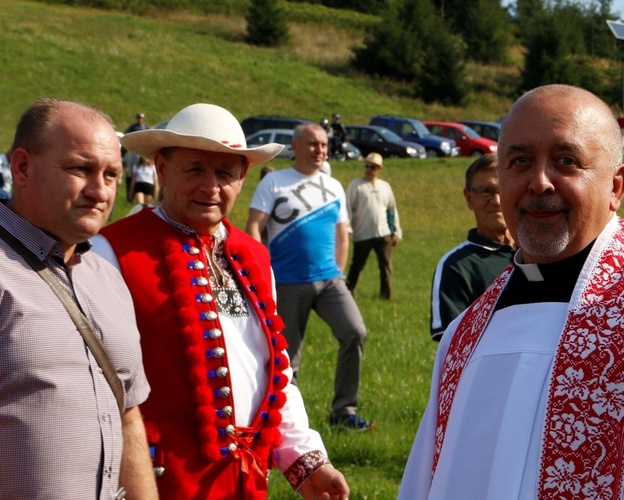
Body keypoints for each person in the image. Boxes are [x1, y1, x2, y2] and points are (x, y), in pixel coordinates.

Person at [399, 84, 624, 499]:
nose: (539, 182)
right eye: (520, 161)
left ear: (616, 187)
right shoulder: (466, 334)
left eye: (566, 161)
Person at [93, 104, 350, 499]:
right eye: (194, 169)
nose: (210, 186)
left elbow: (271, 370)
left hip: (243, 481)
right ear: (162, 170)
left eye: (225, 173)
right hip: (158, 479)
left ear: (242, 178)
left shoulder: (255, 255)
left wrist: (308, 461)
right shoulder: (111, 250)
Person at [0, 98, 156, 498]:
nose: (100, 191)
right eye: (80, 169)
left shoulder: (107, 278)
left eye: (112, 174)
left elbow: (127, 416)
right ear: (22, 167)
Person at [246, 123, 373, 431]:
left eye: (324, 145)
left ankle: (343, 411)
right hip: (288, 281)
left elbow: (342, 233)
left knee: (355, 332)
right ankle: (287, 423)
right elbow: (252, 227)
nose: (320, 150)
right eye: (314, 144)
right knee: (288, 357)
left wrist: (339, 273)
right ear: (296, 146)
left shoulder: (333, 186)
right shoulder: (274, 182)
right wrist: (263, 273)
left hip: (330, 281)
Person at [429, 153, 514, 341]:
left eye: (503, 190)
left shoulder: (538, 255)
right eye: (486, 192)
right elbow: (453, 341)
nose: (496, 201)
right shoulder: (457, 266)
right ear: (469, 198)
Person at [345, 152, 402, 300]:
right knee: (356, 266)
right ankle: (348, 294)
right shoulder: (355, 185)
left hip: (383, 234)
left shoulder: (385, 186)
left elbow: (392, 209)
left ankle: (386, 296)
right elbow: (347, 208)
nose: (369, 169)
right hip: (362, 234)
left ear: (379, 169)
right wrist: (347, 228)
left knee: (386, 267)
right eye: (367, 166)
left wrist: (396, 231)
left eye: (372, 167)